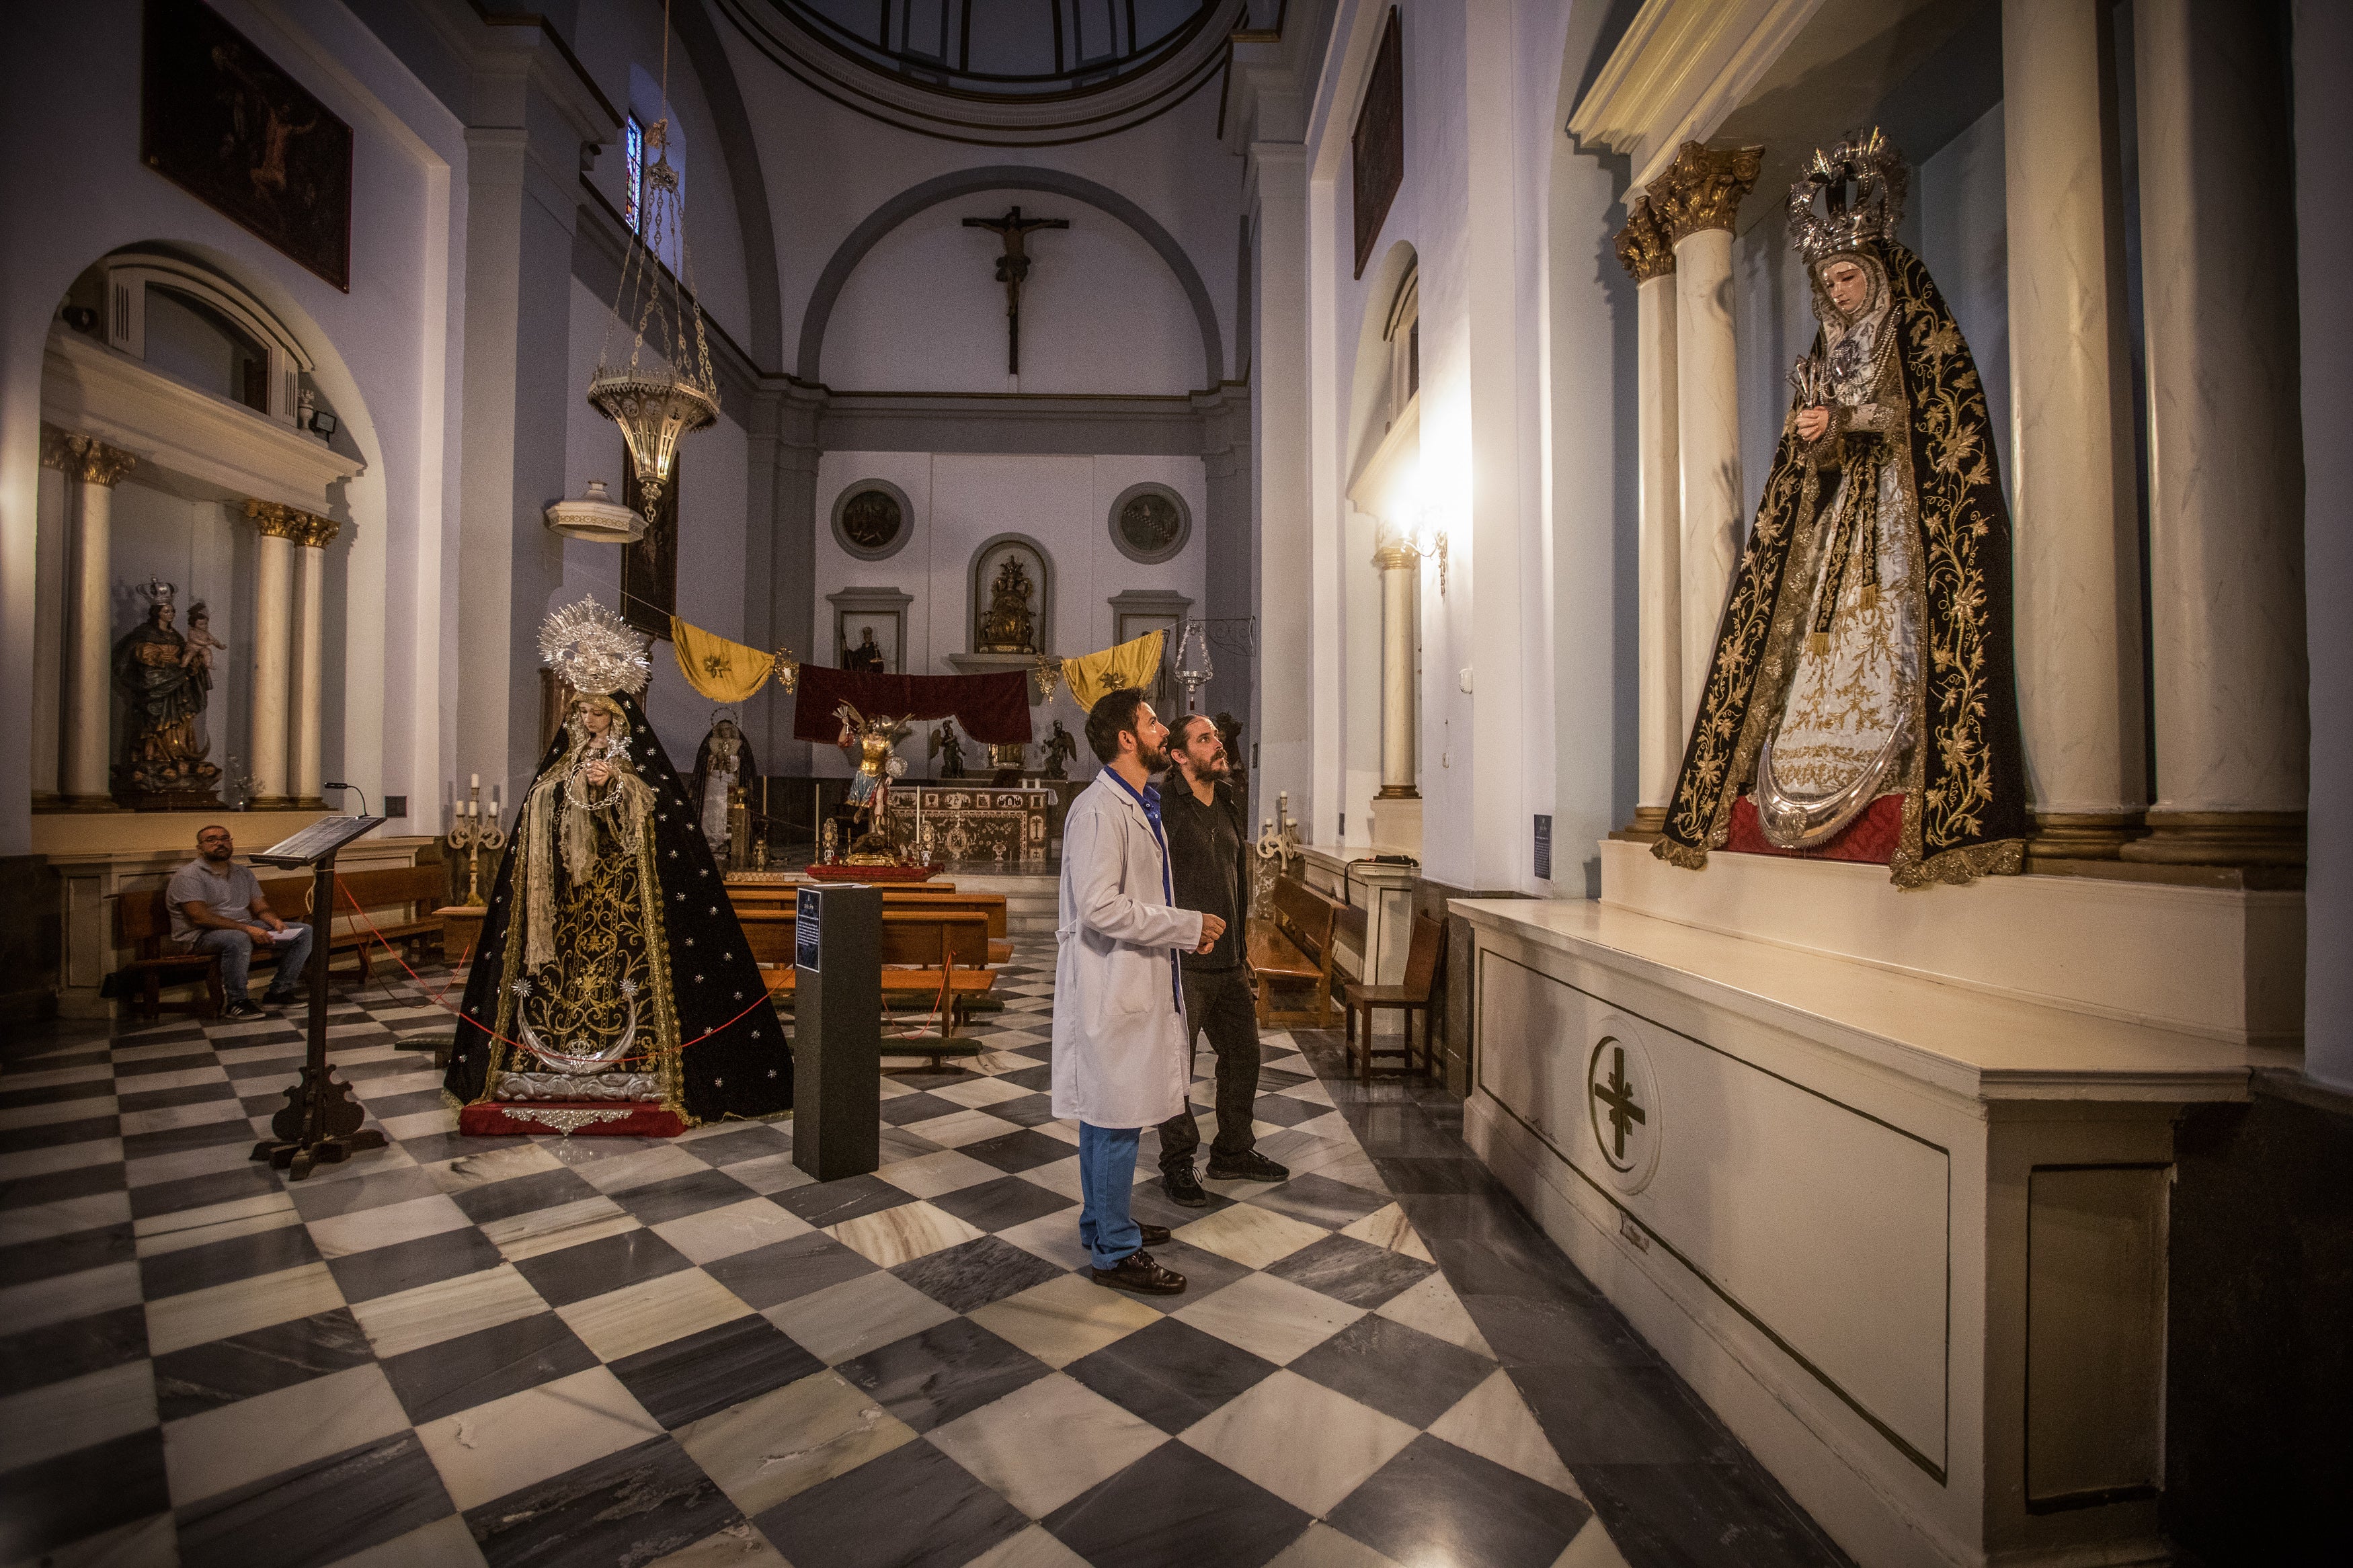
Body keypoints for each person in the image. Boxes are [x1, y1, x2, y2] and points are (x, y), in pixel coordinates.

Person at [1654, 128, 2028, 885]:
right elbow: (1819, 457)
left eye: (1849, 276)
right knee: (1816, 644)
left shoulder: (1915, 333)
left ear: (1877, 272)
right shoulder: (1830, 351)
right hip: (1840, 517)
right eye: (1830, 281)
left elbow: (1932, 420)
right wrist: (1815, 435)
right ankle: (1805, 763)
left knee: (1892, 628)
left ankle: (1902, 764)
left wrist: (1850, 420)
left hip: (1897, 510)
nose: (1840, 291)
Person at [446, 595, 789, 1130]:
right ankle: (540, 1062)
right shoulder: (565, 759)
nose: (589, 720)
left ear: (619, 713)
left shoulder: (638, 764)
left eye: (598, 712)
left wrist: (619, 786)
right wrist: (567, 787)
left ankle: (646, 1069)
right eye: (582, 711)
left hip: (628, 901)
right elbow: (541, 802)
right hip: (569, 902)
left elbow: (657, 818)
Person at [1053, 687, 1224, 1294]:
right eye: (1152, 722)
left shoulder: (1135, 803)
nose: (1162, 730)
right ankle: (1115, 1251)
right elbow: (1100, 906)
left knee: (1109, 1116)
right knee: (1115, 1118)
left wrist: (1181, 932)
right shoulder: (1100, 810)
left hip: (1128, 980)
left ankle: (1104, 1222)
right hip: (1111, 986)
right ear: (1127, 738)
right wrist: (1185, 926)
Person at [1156, 714, 1286, 1206]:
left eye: (1217, 737)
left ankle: (1232, 1150)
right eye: (1205, 738)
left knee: (1244, 1056)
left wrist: (1244, 951)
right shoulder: (1164, 807)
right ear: (1179, 755)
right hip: (1183, 963)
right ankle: (1177, 1163)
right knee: (1176, 1069)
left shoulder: (1228, 801)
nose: (1219, 744)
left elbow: (1237, 878)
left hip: (1229, 963)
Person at [169, 825, 312, 1018]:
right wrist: (248, 929)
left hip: (242, 928)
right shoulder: (188, 876)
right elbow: (200, 917)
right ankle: (237, 1002)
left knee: (305, 932)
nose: (220, 843)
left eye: (225, 838)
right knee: (238, 939)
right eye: (211, 840)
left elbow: (261, 908)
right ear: (199, 848)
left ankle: (279, 992)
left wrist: (275, 921)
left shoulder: (243, 873)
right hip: (200, 936)